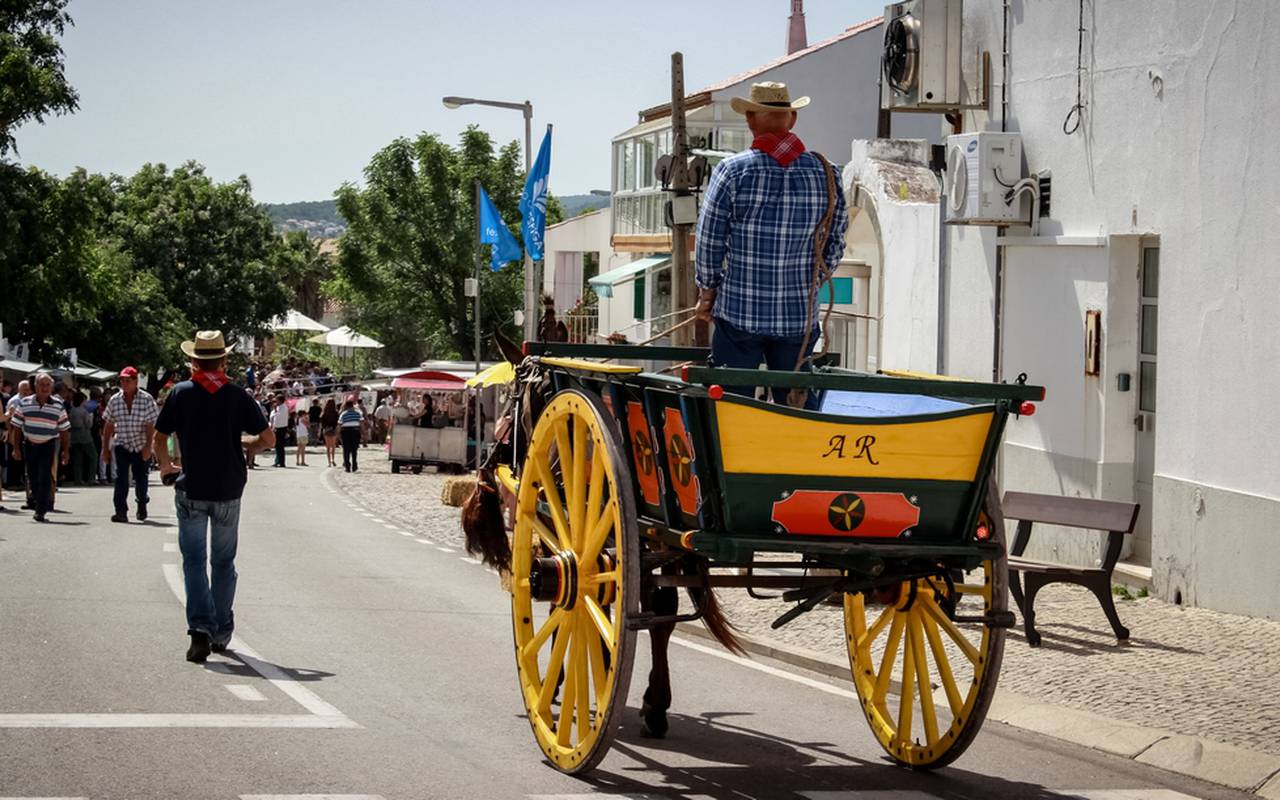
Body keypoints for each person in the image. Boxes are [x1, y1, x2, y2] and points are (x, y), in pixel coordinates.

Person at [694, 81, 849, 405]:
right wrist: (812, 282)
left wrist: (708, 291)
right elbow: (835, 240)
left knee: (733, 406)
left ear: (750, 119)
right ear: (791, 119)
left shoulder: (731, 172)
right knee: (797, 408)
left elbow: (709, 240)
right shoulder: (828, 173)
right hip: (799, 320)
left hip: (739, 314)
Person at [153, 330, 274, 663]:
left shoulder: (180, 393)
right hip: (228, 490)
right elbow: (269, 439)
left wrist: (166, 467)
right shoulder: (237, 395)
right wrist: (247, 445)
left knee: (193, 562)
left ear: (193, 361)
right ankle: (220, 630)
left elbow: (159, 438)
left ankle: (199, 631)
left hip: (192, 488)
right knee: (223, 563)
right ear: (223, 360)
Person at [8, 373, 70, 522]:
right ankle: (36, 498)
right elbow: (16, 427)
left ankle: (41, 510)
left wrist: (65, 451)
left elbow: (64, 430)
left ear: (51, 387)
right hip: (29, 444)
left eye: (48, 385)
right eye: (41, 385)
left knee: (44, 476)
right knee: (32, 476)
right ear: (35, 386)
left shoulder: (58, 405)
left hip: (48, 445)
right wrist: (15, 448)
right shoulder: (25, 403)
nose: (45, 388)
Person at [102, 366, 160, 522]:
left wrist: (148, 447)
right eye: (122, 380)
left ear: (135, 381)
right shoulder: (115, 400)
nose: (125, 383)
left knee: (141, 478)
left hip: (140, 444)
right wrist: (105, 449)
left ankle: (142, 503)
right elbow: (108, 425)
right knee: (121, 478)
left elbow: (151, 425)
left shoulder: (146, 399)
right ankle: (120, 511)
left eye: (128, 380)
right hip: (122, 443)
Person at [67, 391, 97, 486]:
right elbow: (88, 425)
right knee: (93, 456)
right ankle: (91, 478)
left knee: (78, 459)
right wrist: (91, 418)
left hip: (74, 437)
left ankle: (78, 479)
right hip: (85, 436)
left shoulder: (71, 410)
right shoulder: (84, 411)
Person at [338, 398, 362, 472]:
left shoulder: (343, 414)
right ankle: (354, 465)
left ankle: (347, 466)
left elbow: (339, 424)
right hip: (355, 431)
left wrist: (338, 434)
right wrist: (362, 432)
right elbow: (361, 423)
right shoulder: (358, 413)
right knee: (354, 449)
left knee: (346, 450)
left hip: (346, 432)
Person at [269, 394, 289, 468]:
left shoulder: (283, 408)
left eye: (277, 400)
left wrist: (275, 410)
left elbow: (278, 417)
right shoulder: (278, 407)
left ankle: (282, 462)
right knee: (277, 446)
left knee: (280, 446)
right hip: (277, 428)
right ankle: (278, 461)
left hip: (281, 428)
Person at [320, 398, 339, 467]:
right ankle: (333, 460)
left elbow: (322, 422)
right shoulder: (336, 413)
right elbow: (337, 422)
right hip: (333, 430)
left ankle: (329, 462)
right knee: (333, 446)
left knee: (328, 447)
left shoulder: (324, 413)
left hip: (326, 430)